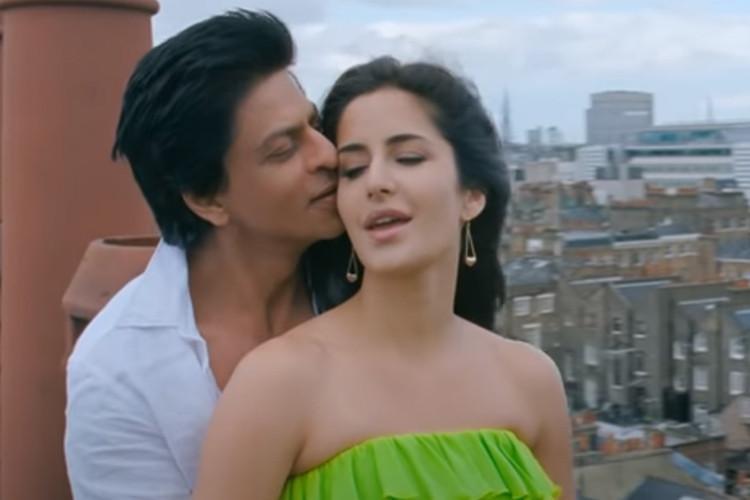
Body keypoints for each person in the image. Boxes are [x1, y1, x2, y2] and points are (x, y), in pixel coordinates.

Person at [193, 56, 574, 500]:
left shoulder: (531, 381)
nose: (375, 182)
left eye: (408, 158)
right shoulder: (278, 382)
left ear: (471, 195)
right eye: (352, 169)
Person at [64, 10, 344, 499]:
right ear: (205, 198)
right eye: (283, 150)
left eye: (314, 125)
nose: (327, 155)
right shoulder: (118, 370)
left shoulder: (367, 279)